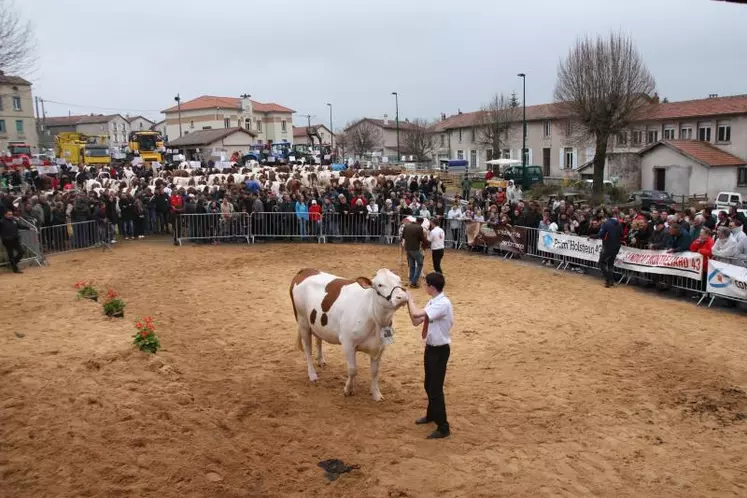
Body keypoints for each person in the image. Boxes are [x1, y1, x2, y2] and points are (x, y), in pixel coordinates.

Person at [406, 272, 453, 439]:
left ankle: (443, 426)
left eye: (426, 284)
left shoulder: (442, 304)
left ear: (432, 287)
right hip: (431, 348)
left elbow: (418, 314)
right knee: (429, 384)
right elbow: (416, 321)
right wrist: (406, 304)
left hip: (439, 350)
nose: (424, 287)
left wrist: (409, 299)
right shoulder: (434, 301)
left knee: (435, 388)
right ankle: (432, 414)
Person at [590, 209, 622, 288]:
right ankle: (611, 281)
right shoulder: (619, 223)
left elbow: (600, 234)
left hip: (607, 245)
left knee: (601, 262)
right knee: (610, 263)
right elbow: (621, 234)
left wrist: (592, 235)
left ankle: (608, 279)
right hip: (617, 246)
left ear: (606, 216)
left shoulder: (605, 223)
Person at [401, 216, 427, 288]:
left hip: (408, 248)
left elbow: (403, 236)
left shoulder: (407, 226)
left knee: (411, 265)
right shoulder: (419, 227)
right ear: (421, 222)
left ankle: (410, 280)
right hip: (415, 248)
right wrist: (427, 243)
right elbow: (422, 239)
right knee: (420, 264)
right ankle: (414, 282)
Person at [0, 208, 27, 273]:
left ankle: (13, 263)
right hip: (7, 240)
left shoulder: (14, 220)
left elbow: (19, 226)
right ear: (5, 215)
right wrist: (4, 237)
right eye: (9, 214)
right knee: (10, 254)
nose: (11, 215)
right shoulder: (1, 222)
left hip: (15, 239)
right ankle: (15, 269)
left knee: (21, 252)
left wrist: (28, 228)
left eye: (11, 214)